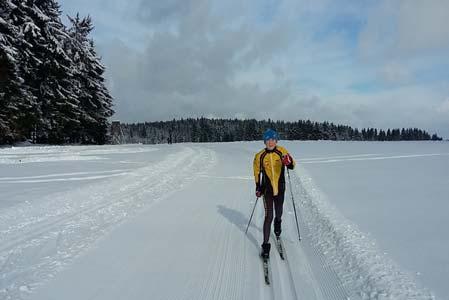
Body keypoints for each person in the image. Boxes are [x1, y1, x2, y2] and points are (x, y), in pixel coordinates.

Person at [253, 129, 295, 259]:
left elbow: (292, 165)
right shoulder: (260, 156)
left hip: (280, 189)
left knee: (279, 212)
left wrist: (289, 163)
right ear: (264, 142)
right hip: (267, 191)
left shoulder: (281, 151)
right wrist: (258, 187)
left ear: (276, 141)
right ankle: (265, 246)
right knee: (268, 216)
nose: (270, 142)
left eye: (273, 139)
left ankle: (278, 224)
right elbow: (256, 172)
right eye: (268, 140)